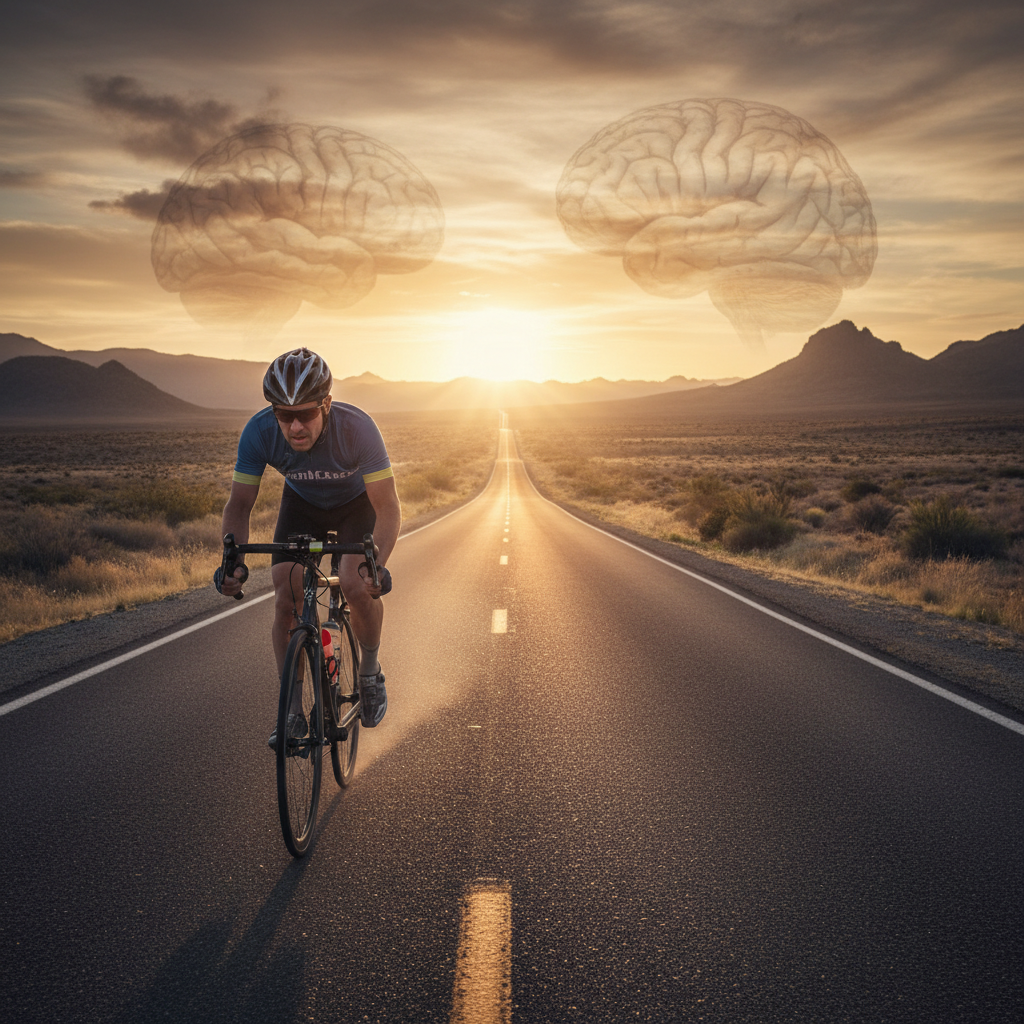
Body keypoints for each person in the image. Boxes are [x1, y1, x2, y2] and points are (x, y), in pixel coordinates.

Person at [216, 347, 400, 744]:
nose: (295, 426)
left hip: (356, 506)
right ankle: (293, 712)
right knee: (285, 591)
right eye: (284, 415)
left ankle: (369, 670)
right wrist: (231, 561)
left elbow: (387, 507)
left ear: (327, 404)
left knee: (354, 581)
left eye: (306, 414)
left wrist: (377, 565)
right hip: (302, 505)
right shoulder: (258, 432)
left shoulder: (358, 428)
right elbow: (240, 505)